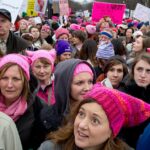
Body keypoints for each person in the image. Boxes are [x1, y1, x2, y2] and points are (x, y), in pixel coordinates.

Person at [38, 83, 150, 150]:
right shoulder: (50, 148)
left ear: (112, 131)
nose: (81, 125)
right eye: (81, 114)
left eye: (95, 120)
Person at [0, 54, 47, 150]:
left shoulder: (38, 108)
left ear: (25, 82)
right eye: (4, 78)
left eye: (16, 79)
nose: (9, 85)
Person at [40, 59, 96, 132]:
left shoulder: (98, 111)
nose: (87, 88)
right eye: (79, 83)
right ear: (64, 85)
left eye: (90, 82)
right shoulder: (47, 116)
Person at [119, 52, 150, 148]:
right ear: (133, 71)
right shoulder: (122, 95)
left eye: (148, 71)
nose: (143, 75)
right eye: (139, 69)